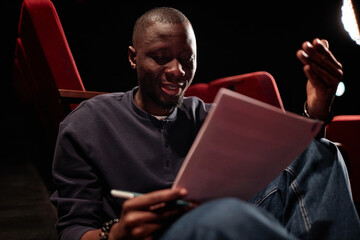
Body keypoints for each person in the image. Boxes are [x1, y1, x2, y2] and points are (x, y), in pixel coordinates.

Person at [50, 7, 360, 240]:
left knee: (323, 153)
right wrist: (114, 235)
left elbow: (289, 165)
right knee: (222, 214)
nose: (177, 72)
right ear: (133, 58)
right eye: (160, 58)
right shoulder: (88, 123)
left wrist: (316, 110)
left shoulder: (210, 115)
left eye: (187, 59)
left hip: (231, 223)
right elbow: (73, 229)